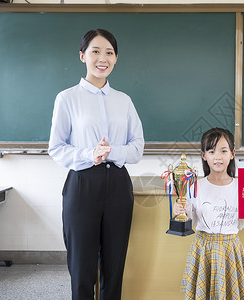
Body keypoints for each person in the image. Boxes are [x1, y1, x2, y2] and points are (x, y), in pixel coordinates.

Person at [48, 29, 144, 300]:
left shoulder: (123, 100)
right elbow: (56, 148)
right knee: (82, 266)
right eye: (95, 51)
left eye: (110, 53)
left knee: (114, 264)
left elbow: (137, 148)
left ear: (116, 59)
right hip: (82, 184)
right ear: (82, 56)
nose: (103, 58)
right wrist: (91, 154)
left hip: (118, 185)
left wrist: (111, 151)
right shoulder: (67, 98)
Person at [174, 127, 244, 300]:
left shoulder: (242, 186)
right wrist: (177, 210)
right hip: (204, 249)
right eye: (211, 151)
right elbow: (188, 216)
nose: (217, 156)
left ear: (232, 154)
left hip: (230, 249)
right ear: (204, 156)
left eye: (223, 151)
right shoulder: (196, 186)